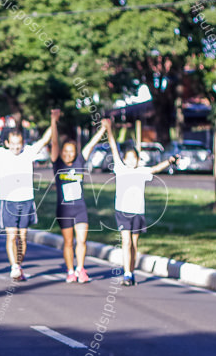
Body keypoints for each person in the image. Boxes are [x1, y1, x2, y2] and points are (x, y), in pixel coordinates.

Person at [0, 106, 53, 281]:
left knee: (22, 237)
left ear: (22, 143)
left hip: (26, 201)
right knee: (11, 235)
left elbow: (45, 140)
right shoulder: (1, 154)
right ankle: (14, 266)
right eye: (13, 144)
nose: (16, 147)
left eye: (19, 144)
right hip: (8, 201)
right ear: (7, 143)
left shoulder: (29, 152)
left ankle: (19, 264)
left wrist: (53, 120)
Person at [105, 120, 176, 286]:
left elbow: (156, 169)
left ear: (138, 159)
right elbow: (114, 148)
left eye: (134, 158)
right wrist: (109, 130)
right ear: (124, 159)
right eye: (128, 158)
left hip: (137, 211)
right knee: (126, 241)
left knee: (134, 243)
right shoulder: (120, 169)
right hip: (122, 211)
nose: (131, 161)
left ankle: (131, 270)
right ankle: (127, 274)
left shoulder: (142, 171)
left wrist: (170, 161)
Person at [49, 109, 108, 283]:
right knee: (68, 242)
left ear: (76, 153)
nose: (68, 154)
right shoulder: (57, 163)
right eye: (65, 151)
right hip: (64, 210)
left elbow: (91, 144)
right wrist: (54, 122)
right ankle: (70, 270)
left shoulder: (80, 161)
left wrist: (103, 129)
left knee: (81, 241)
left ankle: (80, 269)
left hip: (80, 209)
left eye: (71, 152)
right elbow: (54, 143)